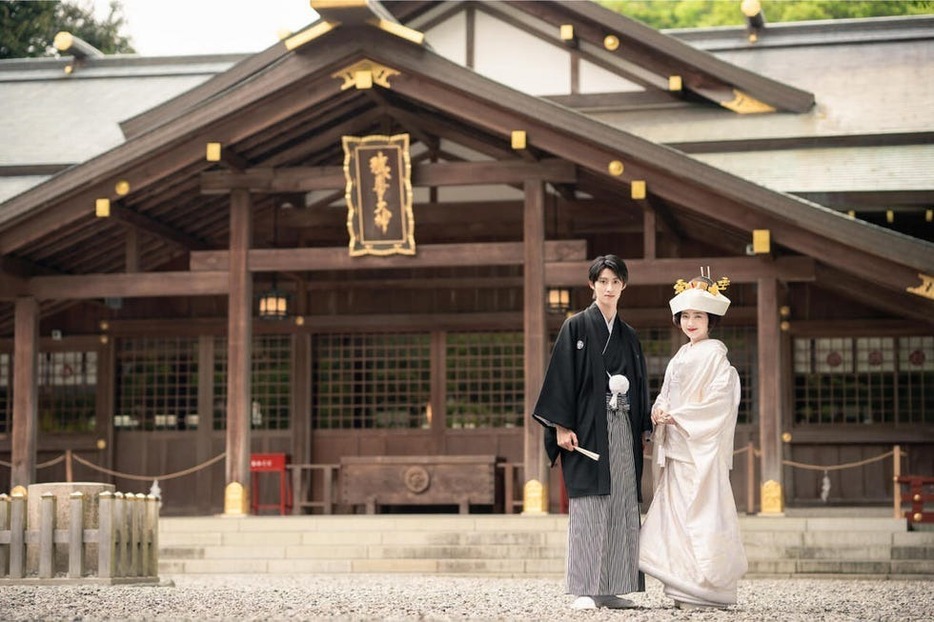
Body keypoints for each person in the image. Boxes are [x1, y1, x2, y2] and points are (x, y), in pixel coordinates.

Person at [532, 255, 652, 610]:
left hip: (623, 425)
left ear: (623, 286)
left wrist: (643, 426)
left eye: (615, 282)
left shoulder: (628, 335)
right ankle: (585, 586)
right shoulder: (576, 327)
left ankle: (613, 586)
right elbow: (561, 378)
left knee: (621, 503)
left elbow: (641, 383)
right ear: (592, 285)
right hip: (586, 428)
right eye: (603, 282)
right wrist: (561, 426)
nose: (609, 288)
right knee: (590, 505)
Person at [639, 269, 748, 609]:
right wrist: (658, 411)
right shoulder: (681, 355)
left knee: (700, 513)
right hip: (677, 446)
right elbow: (666, 395)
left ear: (709, 319)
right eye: (685, 316)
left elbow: (719, 399)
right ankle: (680, 586)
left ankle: (706, 588)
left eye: (697, 316)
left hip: (698, 447)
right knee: (676, 515)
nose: (690, 322)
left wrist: (681, 417)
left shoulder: (716, 356)